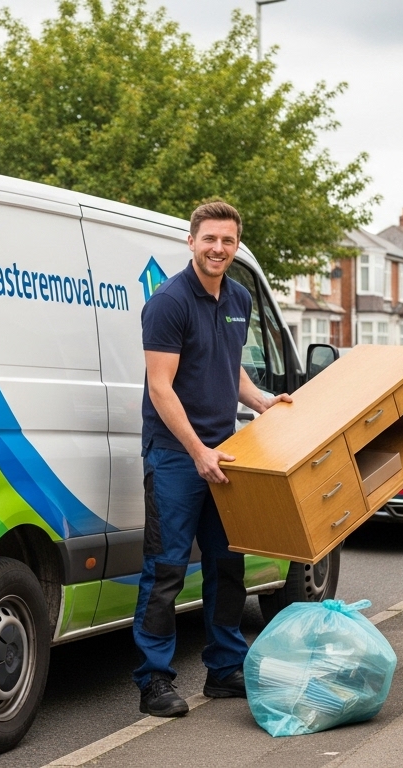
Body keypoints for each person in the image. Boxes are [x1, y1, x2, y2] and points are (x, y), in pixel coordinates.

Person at [134, 200, 292, 716]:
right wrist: (197, 450)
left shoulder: (240, 297)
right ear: (191, 241)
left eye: (227, 241)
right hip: (177, 457)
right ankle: (154, 679)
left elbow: (230, 370)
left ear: (235, 245)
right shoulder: (168, 302)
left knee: (228, 566)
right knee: (167, 569)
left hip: (224, 452)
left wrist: (263, 401)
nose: (218, 249)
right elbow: (161, 388)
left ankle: (225, 669)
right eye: (209, 240)